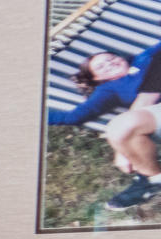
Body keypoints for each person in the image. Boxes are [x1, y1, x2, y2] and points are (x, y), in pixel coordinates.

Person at [69, 49, 161, 211]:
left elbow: (147, 97)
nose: (110, 63)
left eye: (112, 58)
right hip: (154, 115)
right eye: (101, 66)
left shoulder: (146, 59)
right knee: (120, 128)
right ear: (97, 78)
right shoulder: (107, 90)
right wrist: (121, 147)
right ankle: (155, 180)